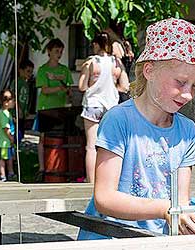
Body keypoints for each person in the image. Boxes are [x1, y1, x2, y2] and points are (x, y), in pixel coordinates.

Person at [77, 18, 195, 250]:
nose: (188, 94)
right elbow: (105, 198)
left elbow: (180, 202)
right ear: (149, 70)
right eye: (181, 82)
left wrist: (191, 221)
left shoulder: (187, 132)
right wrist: (167, 208)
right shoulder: (118, 120)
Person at [78, 31, 129, 183]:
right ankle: (111, 181)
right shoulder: (116, 63)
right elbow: (125, 86)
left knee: (91, 146)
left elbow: (81, 86)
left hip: (93, 105)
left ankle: (91, 182)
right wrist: (112, 88)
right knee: (111, 145)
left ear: (95, 44)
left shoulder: (91, 62)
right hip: (111, 106)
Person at [34, 38, 73, 182]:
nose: (59, 53)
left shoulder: (65, 70)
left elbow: (69, 87)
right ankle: (42, 168)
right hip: (45, 109)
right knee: (43, 139)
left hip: (60, 108)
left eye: (61, 51)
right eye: (57, 51)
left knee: (60, 138)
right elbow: (44, 90)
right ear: (49, 51)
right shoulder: (43, 70)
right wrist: (59, 88)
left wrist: (68, 92)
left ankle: (60, 166)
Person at [11, 60, 34, 143]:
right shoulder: (17, 82)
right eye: (28, 71)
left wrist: (26, 110)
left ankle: (17, 148)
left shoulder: (26, 84)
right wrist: (18, 109)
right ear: (20, 70)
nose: (30, 74)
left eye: (31, 72)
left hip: (22, 115)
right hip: (15, 114)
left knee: (20, 133)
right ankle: (13, 150)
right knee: (15, 132)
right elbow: (13, 96)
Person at [0, 90, 17, 182]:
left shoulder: (7, 113)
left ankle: (11, 172)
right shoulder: (3, 114)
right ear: (5, 103)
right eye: (12, 100)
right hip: (4, 142)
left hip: (8, 142)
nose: (14, 102)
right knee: (3, 159)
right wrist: (11, 138)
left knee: (9, 158)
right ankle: (3, 175)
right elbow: (5, 128)